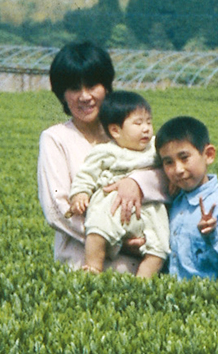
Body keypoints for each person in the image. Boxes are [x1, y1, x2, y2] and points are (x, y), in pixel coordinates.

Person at [37, 41, 167, 272]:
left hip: (141, 262)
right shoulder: (55, 139)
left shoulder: (130, 134)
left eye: (92, 86)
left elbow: (167, 177)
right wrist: (115, 241)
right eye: (74, 88)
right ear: (62, 95)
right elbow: (58, 210)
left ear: (107, 87)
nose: (85, 96)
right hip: (82, 262)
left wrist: (136, 183)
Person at [67, 90, 171, 277]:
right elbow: (86, 174)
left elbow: (168, 167)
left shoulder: (155, 148)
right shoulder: (105, 152)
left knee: (159, 247)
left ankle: (143, 281)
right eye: (138, 123)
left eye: (148, 122)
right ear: (115, 130)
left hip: (149, 209)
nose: (146, 128)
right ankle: (93, 268)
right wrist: (80, 193)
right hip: (111, 204)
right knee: (97, 229)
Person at [155, 114, 218, 282]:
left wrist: (212, 237)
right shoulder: (175, 202)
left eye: (184, 158)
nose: (178, 169)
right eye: (168, 162)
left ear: (208, 154)